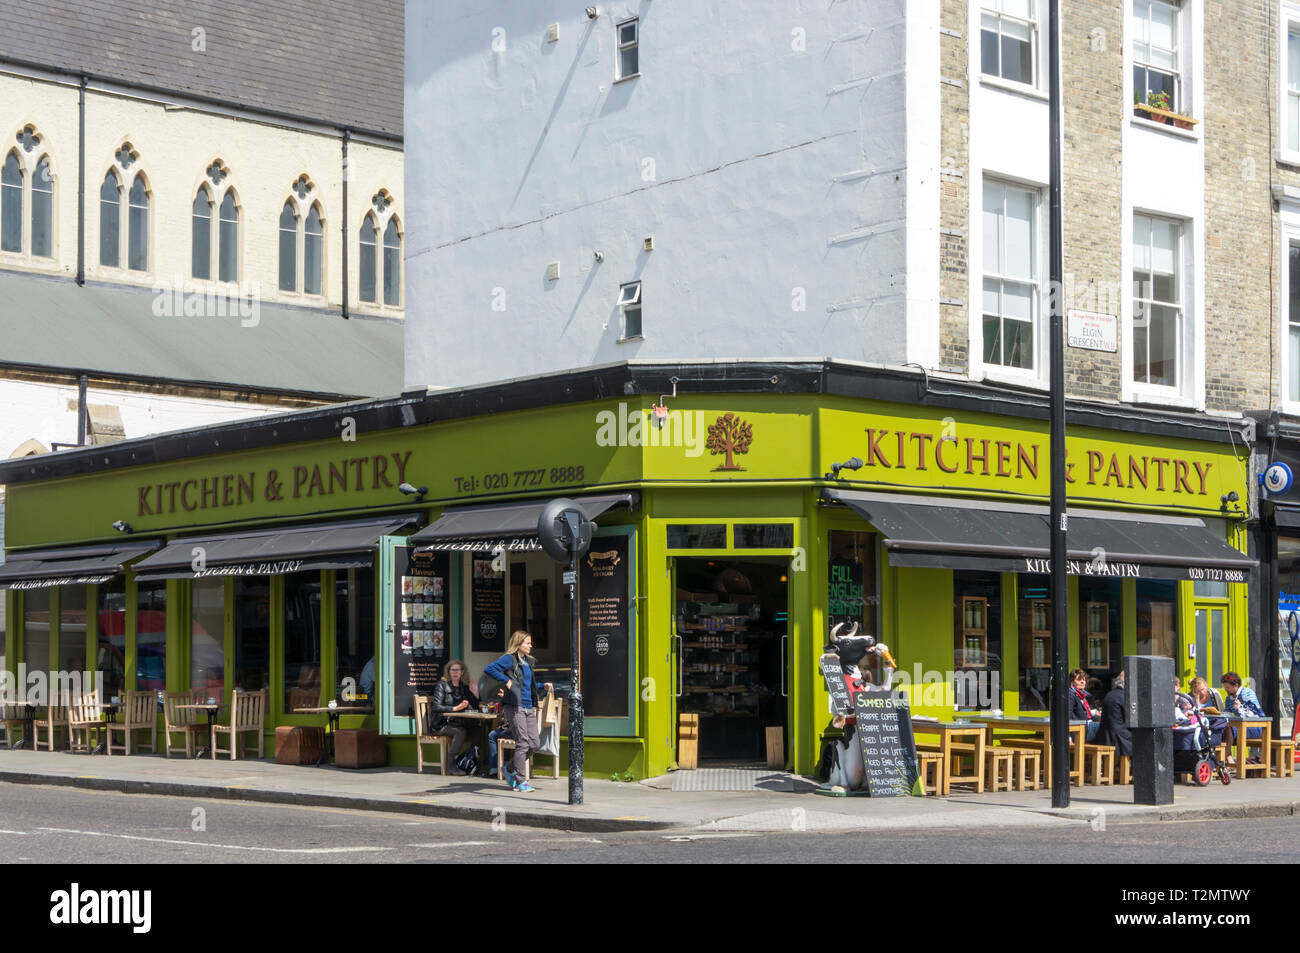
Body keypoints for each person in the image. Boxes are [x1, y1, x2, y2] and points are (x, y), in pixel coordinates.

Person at [483, 631, 552, 793]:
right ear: (519, 643)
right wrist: (506, 680)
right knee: (522, 742)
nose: (530, 646)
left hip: (528, 706)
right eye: (527, 643)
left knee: (534, 744)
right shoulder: (509, 658)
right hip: (515, 705)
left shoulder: (527, 661)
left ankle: (509, 768)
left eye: (530, 643)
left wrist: (542, 686)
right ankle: (520, 780)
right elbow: (489, 669)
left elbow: (526, 683)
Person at [430, 661, 478, 774]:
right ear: (448, 672)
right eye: (453, 670)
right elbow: (436, 707)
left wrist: (475, 693)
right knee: (460, 732)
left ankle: (470, 761)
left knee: (478, 730)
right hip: (441, 724)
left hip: (458, 722)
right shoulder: (442, 685)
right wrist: (455, 708)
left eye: (458, 670)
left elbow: (475, 705)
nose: (455, 672)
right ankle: (451, 766)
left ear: (462, 672)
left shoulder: (463, 687)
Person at [1220, 672, 1266, 760]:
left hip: (1255, 727)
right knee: (1220, 727)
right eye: (1225, 687)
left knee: (1229, 728)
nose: (1226, 690)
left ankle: (1224, 757)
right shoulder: (1228, 699)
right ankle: (1228, 757)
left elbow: (1255, 713)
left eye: (1228, 688)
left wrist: (1240, 708)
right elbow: (1228, 714)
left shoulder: (1247, 693)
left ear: (1236, 685)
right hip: (1239, 727)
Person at [1095, 670, 1131, 758]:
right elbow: (1131, 719)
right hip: (1120, 738)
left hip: (1105, 736)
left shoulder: (1110, 694)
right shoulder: (1124, 697)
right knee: (1145, 738)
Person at [1068, 668, 1101, 742]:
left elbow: (1082, 711)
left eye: (1084, 679)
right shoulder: (1070, 694)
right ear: (1072, 682)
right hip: (1081, 729)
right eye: (1079, 679)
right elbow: (1067, 716)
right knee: (1109, 727)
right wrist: (1068, 736)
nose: (1083, 682)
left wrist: (1094, 713)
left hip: (1087, 725)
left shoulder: (1082, 695)